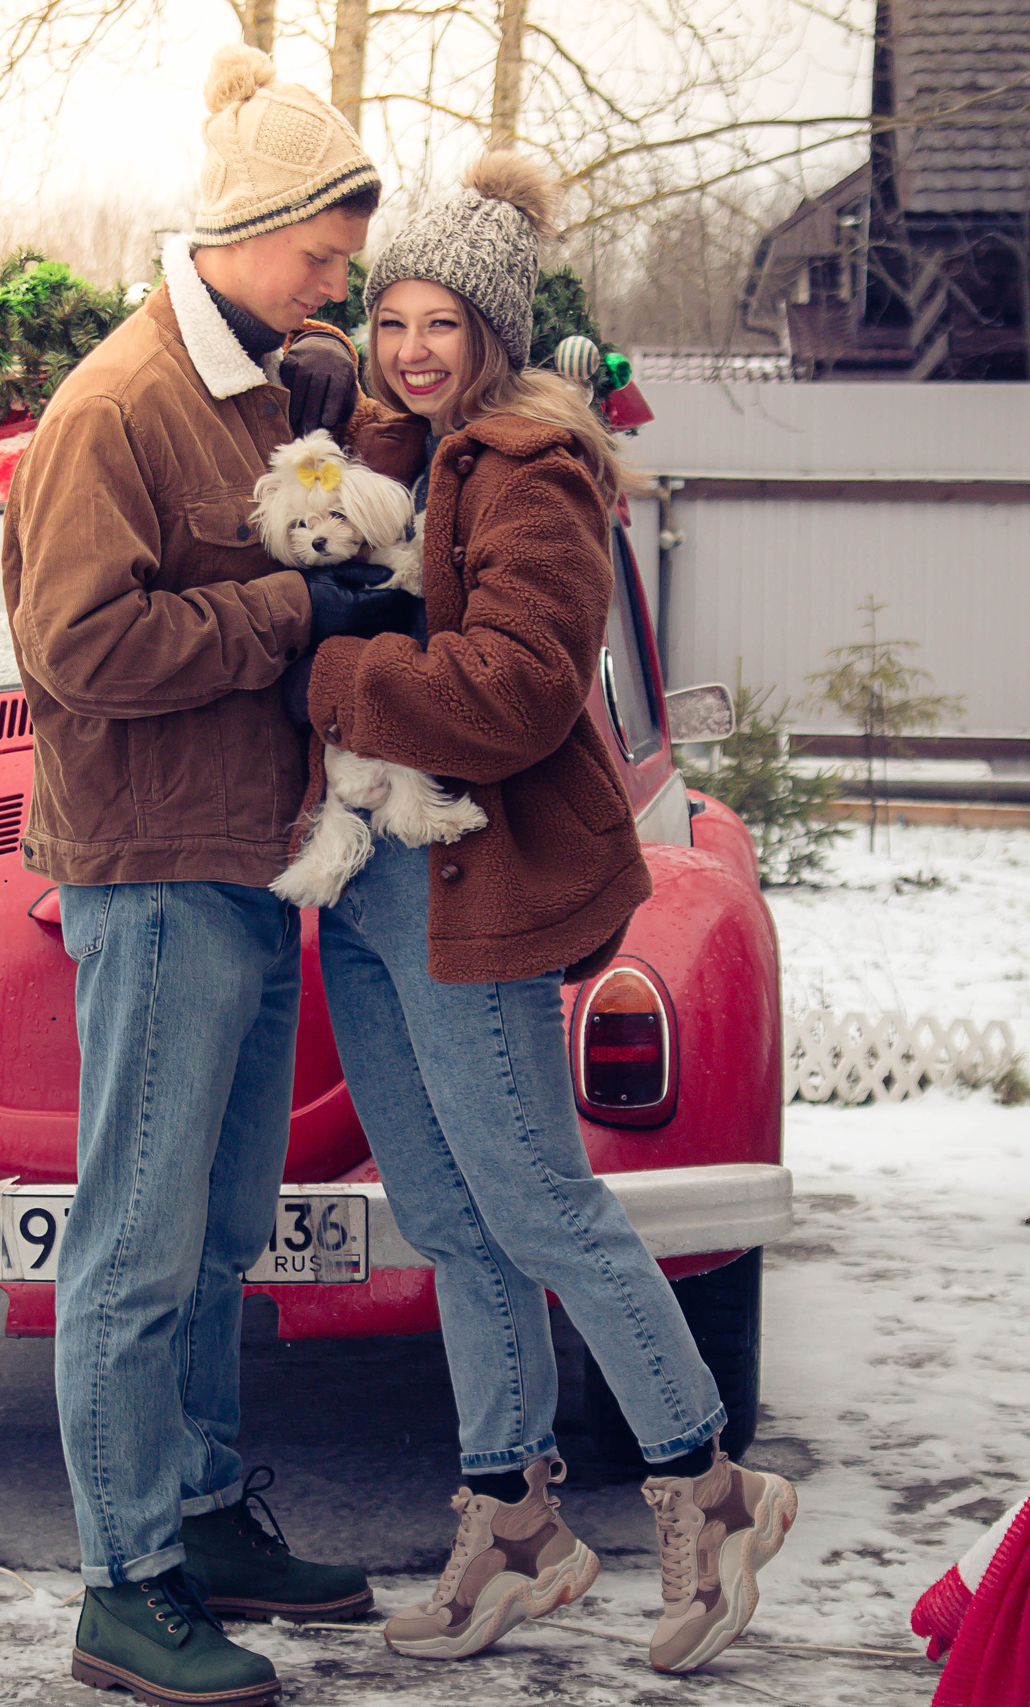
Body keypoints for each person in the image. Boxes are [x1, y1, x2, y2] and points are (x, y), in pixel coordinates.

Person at [282, 153, 800, 1676]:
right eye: (394, 319)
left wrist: (328, 677)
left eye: (444, 322)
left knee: (539, 1202)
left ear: (495, 335)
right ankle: (511, 1518)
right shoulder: (407, 449)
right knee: (448, 1221)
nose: (414, 348)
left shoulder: (530, 468)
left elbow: (512, 695)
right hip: (375, 894)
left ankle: (711, 1480)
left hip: (475, 881)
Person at [0, 43, 421, 1707]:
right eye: (323, 253)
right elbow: (76, 647)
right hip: (155, 866)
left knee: (220, 1226)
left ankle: (200, 1518)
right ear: (245, 234)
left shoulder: (262, 377)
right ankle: (124, 1594)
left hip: (248, 859)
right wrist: (290, 619)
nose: (340, 281)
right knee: (135, 1235)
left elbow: (338, 441)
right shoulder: (116, 406)